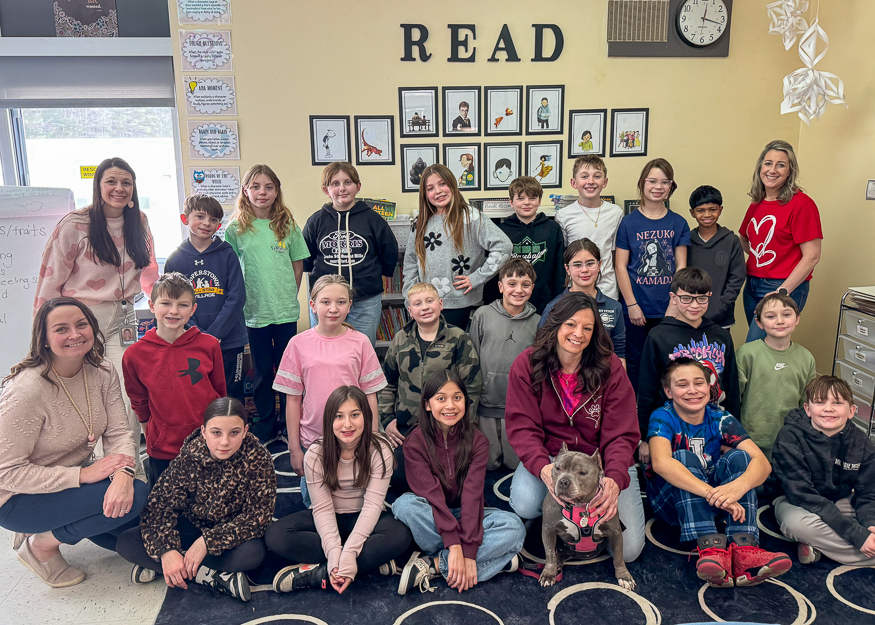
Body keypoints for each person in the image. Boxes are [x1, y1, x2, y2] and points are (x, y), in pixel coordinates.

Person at [0, 297, 146, 588]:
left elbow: (118, 433)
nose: (75, 334)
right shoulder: (27, 391)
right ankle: (40, 545)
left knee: (134, 526)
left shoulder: (102, 371)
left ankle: (58, 528)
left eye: (81, 324)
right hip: (17, 499)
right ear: (44, 339)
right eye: (61, 329)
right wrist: (82, 475)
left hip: (70, 483)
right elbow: (6, 473)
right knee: (137, 497)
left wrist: (122, 475)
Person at [505, 292, 646, 562]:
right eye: (570, 324)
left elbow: (622, 433)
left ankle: (590, 531)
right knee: (524, 502)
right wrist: (542, 467)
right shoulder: (527, 364)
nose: (578, 334)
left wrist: (614, 479)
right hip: (551, 457)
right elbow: (522, 427)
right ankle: (554, 521)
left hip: (601, 460)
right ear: (555, 324)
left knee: (628, 552)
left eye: (587, 328)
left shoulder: (610, 367)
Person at [35, 157, 159, 447]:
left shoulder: (139, 221)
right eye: (111, 182)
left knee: (127, 393)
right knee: (87, 394)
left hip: (125, 320)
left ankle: (125, 463)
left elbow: (148, 268)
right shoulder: (76, 224)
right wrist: (44, 334)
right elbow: (49, 283)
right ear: (98, 186)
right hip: (83, 322)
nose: (119, 188)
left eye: (126, 182)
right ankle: (94, 466)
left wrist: (161, 301)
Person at [647, 358, 791, 587]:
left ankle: (744, 548)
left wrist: (736, 487)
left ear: (709, 387)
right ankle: (710, 548)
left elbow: (763, 463)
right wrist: (712, 493)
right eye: (682, 385)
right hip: (673, 504)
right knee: (683, 457)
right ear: (668, 391)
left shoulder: (720, 417)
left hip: (718, 501)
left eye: (699, 383)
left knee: (741, 457)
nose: (692, 390)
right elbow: (661, 463)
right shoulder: (663, 416)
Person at [116, 397, 276, 602]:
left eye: (234, 433)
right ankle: (210, 576)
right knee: (127, 542)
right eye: (216, 432)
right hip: (194, 526)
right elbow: (159, 506)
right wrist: (167, 550)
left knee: (253, 554)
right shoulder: (190, 456)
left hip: (232, 534)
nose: (225, 442)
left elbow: (257, 518)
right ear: (203, 431)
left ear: (245, 431)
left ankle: (168, 569)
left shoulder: (259, 458)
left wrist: (207, 543)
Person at [265, 386, 412, 592]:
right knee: (277, 535)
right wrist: (335, 553)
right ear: (329, 421)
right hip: (328, 517)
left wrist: (349, 551)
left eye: (355, 415)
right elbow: (323, 509)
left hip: (364, 517)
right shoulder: (316, 454)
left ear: (366, 417)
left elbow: (372, 506)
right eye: (339, 416)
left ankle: (322, 573)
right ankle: (361, 564)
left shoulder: (380, 449)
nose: (347, 424)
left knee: (401, 534)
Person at [393, 370, 526, 595]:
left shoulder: (477, 441)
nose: (450, 406)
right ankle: (492, 560)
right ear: (427, 405)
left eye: (457, 397)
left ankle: (434, 565)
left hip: (468, 514)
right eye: (441, 398)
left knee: (514, 526)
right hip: (432, 514)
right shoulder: (414, 443)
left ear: (466, 401)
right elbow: (431, 495)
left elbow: (473, 496)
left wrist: (470, 551)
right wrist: (456, 546)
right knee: (404, 505)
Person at [225, 164, 310, 441]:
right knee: (262, 371)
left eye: (269, 187)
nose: (262, 192)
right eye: (256, 187)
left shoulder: (287, 225)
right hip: (254, 312)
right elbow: (231, 268)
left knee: (288, 371)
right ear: (245, 191)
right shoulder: (236, 228)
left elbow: (298, 264)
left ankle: (288, 423)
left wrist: (288, 293)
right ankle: (266, 423)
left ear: (277, 192)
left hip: (284, 311)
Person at [274, 274, 387, 483]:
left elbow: (371, 395)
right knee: (316, 504)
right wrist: (294, 447)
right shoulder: (297, 344)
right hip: (312, 440)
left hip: (354, 437)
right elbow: (292, 400)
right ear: (313, 305)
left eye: (341, 302)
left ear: (350, 306)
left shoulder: (361, 342)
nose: (333, 308)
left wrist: (372, 439)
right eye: (326, 302)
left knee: (352, 501)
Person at [122, 273, 226, 487]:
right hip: (164, 448)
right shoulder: (135, 355)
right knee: (166, 505)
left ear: (193, 310)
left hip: (206, 442)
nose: (174, 311)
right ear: (151, 306)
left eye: (183, 305)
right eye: (166, 303)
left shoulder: (209, 345)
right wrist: (151, 436)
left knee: (209, 501)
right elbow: (139, 402)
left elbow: (220, 394)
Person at [379, 282, 482, 490]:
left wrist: (462, 425)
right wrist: (387, 419)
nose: (424, 307)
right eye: (417, 303)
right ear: (409, 311)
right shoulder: (400, 340)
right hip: (407, 425)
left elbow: (471, 385)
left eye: (430, 301)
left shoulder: (458, 338)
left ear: (441, 304)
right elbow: (387, 383)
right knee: (399, 479)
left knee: (450, 483)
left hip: (447, 424)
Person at [636, 268, 741, 464]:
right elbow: (647, 390)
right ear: (673, 297)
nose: (694, 305)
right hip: (670, 428)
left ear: (709, 297)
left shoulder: (721, 336)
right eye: (686, 298)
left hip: (713, 425)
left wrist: (733, 436)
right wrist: (645, 437)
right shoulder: (658, 336)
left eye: (701, 298)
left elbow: (732, 388)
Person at [773, 376, 875, 565]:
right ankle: (865, 552)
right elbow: (800, 493)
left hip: (839, 501)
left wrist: (870, 525)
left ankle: (820, 548)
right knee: (797, 525)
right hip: (795, 502)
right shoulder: (789, 437)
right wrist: (856, 534)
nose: (828, 408)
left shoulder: (863, 444)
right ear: (808, 409)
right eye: (820, 402)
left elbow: (868, 495)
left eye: (837, 402)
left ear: (851, 411)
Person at [402, 164, 512, 330]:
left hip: (457, 302)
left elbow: (503, 247)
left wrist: (477, 278)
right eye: (430, 188)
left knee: (451, 350)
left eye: (442, 184)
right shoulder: (420, 222)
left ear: (452, 184)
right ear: (424, 194)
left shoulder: (471, 217)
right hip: (424, 302)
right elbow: (411, 261)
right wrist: (409, 296)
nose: (437, 191)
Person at [303, 162, 399, 346]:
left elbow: (389, 252)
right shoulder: (316, 221)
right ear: (326, 189)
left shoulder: (373, 220)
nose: (342, 188)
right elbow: (306, 260)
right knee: (325, 350)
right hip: (325, 302)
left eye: (348, 182)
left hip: (365, 301)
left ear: (358, 186)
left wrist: (371, 278)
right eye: (335, 183)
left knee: (361, 351)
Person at [615, 158, 690, 392]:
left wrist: (674, 305)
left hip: (668, 309)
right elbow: (620, 266)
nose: (658, 187)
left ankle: (665, 416)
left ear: (671, 187)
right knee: (635, 365)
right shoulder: (628, 223)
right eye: (652, 181)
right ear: (642, 184)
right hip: (636, 309)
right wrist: (632, 304)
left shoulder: (678, 223)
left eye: (664, 182)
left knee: (669, 364)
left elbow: (681, 268)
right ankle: (638, 413)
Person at [164, 194, 248, 403]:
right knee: (199, 393)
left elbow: (237, 296)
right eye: (200, 217)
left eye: (213, 220)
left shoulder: (227, 253)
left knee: (231, 394)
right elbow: (172, 302)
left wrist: (215, 334)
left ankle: (236, 434)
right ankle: (202, 436)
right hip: (192, 340)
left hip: (230, 340)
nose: (206, 223)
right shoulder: (175, 259)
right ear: (185, 219)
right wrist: (199, 335)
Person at [739, 140, 822, 342]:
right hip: (753, 284)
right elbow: (744, 238)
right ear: (760, 167)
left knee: (756, 346)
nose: (772, 170)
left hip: (783, 286)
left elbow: (812, 257)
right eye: (768, 163)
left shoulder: (802, 204)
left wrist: (782, 291)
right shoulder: (758, 202)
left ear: (789, 172)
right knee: (760, 348)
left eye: (781, 165)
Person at [469, 258, 540, 470]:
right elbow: (471, 362)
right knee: (487, 465)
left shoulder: (538, 322)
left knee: (515, 465)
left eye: (525, 285)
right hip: (486, 405)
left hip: (518, 409)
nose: (518, 290)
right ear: (500, 287)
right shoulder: (482, 316)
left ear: (532, 288)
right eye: (512, 284)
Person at [737, 293, 816, 460]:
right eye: (770, 316)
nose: (780, 321)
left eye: (786, 315)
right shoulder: (747, 354)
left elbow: (808, 403)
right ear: (759, 322)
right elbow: (735, 398)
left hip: (790, 441)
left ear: (797, 318)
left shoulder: (806, 357)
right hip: (751, 441)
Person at [484, 176, 565, 314]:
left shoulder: (553, 229)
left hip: (545, 301)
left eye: (532, 198)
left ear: (539, 201)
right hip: (509, 302)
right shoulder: (501, 231)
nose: (526, 203)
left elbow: (559, 269)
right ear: (511, 202)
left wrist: (559, 300)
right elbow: (493, 269)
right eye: (520, 198)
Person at [540, 238, 626, 365]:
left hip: (601, 378)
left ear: (599, 265)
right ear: (567, 269)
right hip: (563, 377)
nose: (584, 270)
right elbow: (543, 349)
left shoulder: (614, 307)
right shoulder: (553, 307)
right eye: (577, 264)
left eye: (590, 263)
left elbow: (619, 354)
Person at [555, 155, 624, 299]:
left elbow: (616, 255)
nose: (591, 181)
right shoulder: (563, 215)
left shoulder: (615, 213)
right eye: (584, 176)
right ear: (574, 182)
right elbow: (565, 257)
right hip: (576, 289)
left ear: (605, 182)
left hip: (607, 289)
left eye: (597, 176)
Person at [687, 185, 745, 329]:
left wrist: (721, 306)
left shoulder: (731, 240)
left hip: (722, 319)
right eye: (700, 211)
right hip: (690, 316)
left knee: (721, 351)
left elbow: (737, 278)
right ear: (692, 213)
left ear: (720, 210)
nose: (707, 215)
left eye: (712, 209)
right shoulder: (686, 241)